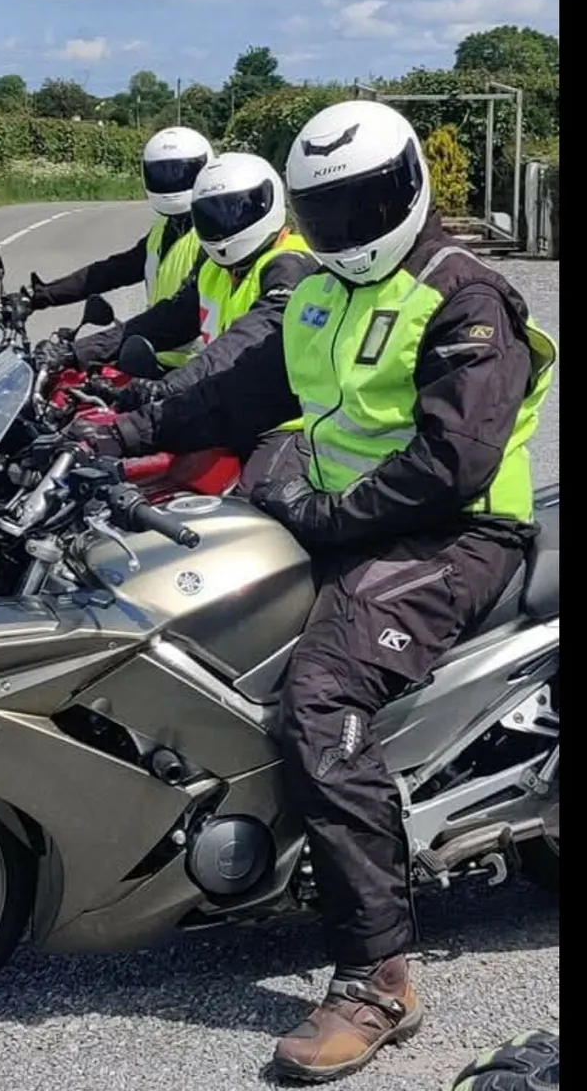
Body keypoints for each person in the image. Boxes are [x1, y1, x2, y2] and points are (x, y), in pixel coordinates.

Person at [69, 99, 557, 1082]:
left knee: (322, 699)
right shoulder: (323, 292)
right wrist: (111, 434)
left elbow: (452, 462)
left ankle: (377, 977)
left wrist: (322, 514)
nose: (342, 227)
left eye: (361, 206)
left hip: (452, 536)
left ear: (408, 189)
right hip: (344, 519)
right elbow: (232, 391)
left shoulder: (465, 299)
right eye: (323, 210)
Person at [66, 153, 319, 491]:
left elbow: (248, 339)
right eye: (212, 214)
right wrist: (76, 352)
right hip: (224, 404)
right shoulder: (215, 269)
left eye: (237, 210)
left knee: (253, 506)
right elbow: (164, 320)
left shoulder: (290, 263)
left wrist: (171, 386)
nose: (224, 223)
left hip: (286, 422)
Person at [29, 126, 214, 370]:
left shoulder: (213, 239)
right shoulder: (165, 227)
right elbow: (114, 270)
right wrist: (40, 296)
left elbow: (179, 318)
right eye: (161, 174)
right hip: (150, 357)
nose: (171, 181)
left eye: (182, 172)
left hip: (194, 371)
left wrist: (78, 351)